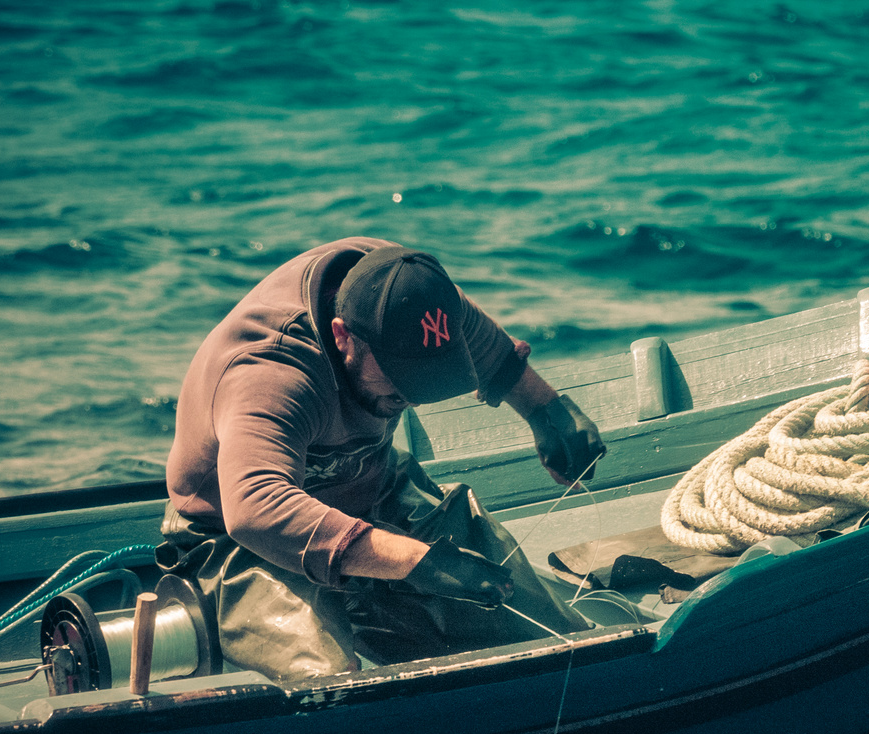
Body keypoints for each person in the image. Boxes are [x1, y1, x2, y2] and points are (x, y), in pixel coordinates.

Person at [159, 237, 605, 679]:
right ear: (342, 337)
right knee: (331, 680)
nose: (409, 395)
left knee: (540, 628)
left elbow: (488, 349)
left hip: (369, 482)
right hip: (238, 535)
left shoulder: (407, 290)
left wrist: (549, 412)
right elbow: (255, 507)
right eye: (398, 379)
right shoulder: (271, 372)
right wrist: (416, 562)